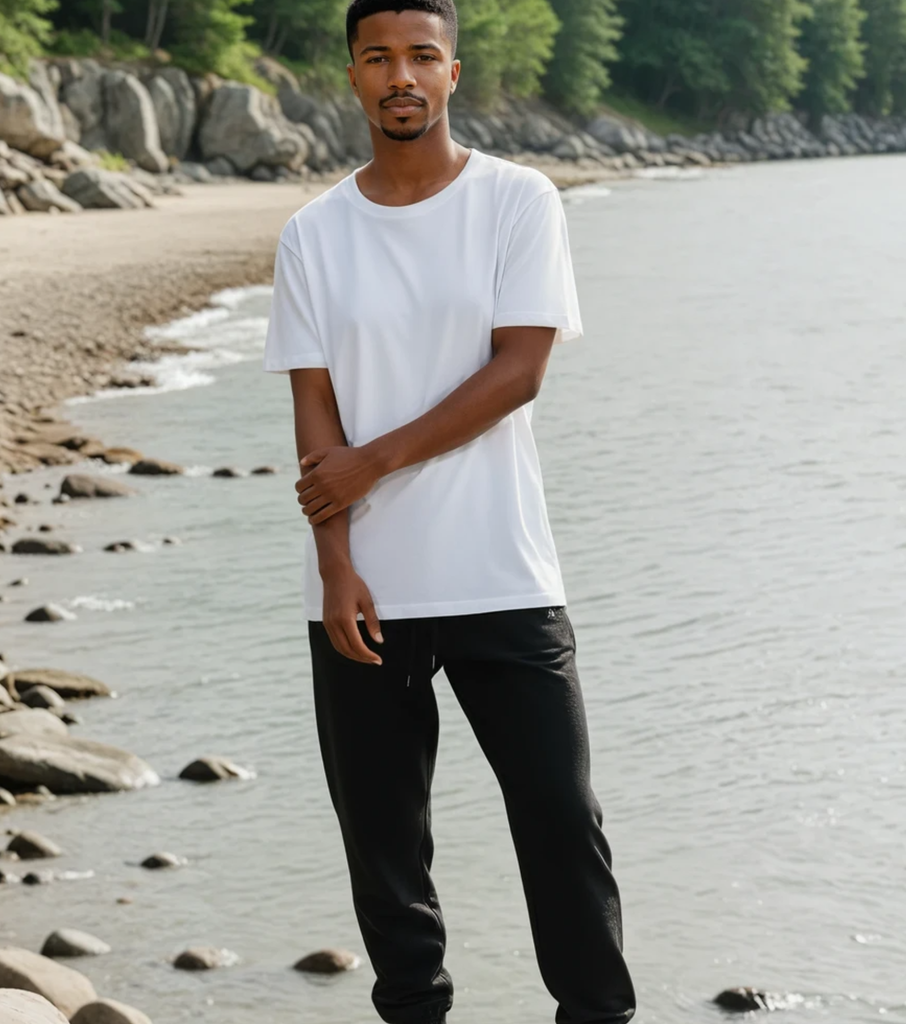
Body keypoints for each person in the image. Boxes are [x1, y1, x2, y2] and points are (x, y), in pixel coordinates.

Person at [263, 2, 636, 1021]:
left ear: (453, 73)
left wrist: (370, 464)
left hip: (502, 571)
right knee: (386, 850)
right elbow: (313, 412)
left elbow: (518, 372)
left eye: (421, 57)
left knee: (562, 820)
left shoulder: (519, 202)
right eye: (377, 58)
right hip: (361, 589)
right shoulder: (312, 234)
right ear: (351, 76)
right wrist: (335, 561)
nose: (400, 77)